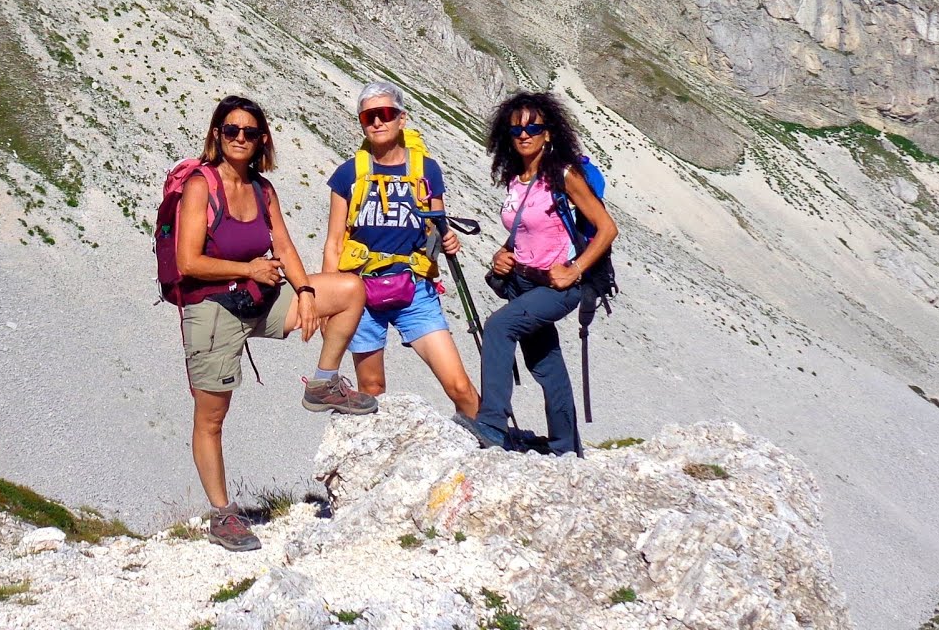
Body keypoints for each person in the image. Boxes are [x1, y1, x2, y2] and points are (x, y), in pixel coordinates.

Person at [176, 95, 375, 552]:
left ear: (262, 139)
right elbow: (189, 262)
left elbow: (283, 248)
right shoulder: (200, 186)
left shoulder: (263, 189)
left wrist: (305, 292)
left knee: (348, 291)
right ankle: (223, 514)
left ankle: (322, 382)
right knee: (212, 417)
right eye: (231, 131)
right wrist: (248, 269)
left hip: (261, 295)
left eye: (250, 132)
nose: (240, 139)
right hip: (213, 311)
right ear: (216, 135)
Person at [462, 91, 618, 457]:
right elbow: (527, 230)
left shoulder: (564, 175)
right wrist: (503, 253)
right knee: (546, 364)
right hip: (523, 281)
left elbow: (607, 228)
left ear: (549, 132)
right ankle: (566, 448)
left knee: (500, 326)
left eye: (534, 127)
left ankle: (492, 425)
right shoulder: (517, 178)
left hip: (558, 285)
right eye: (516, 129)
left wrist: (575, 269)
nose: (524, 134)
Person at [322, 81, 481, 421]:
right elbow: (334, 241)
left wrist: (448, 240)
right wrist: (328, 302)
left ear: (401, 119)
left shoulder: (426, 170)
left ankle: (490, 451)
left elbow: (437, 228)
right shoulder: (348, 174)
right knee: (372, 389)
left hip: (415, 289)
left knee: (460, 387)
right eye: (369, 117)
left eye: (386, 114)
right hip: (359, 293)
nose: (377, 122)